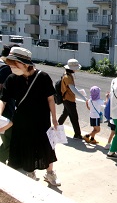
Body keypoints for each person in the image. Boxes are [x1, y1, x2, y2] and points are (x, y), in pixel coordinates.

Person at [0, 47, 60, 185]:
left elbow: (50, 99)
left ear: (25, 63)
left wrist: (54, 119)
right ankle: (30, 173)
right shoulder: (12, 78)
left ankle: (50, 174)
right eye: (10, 64)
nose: (12, 67)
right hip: (22, 121)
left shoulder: (43, 77)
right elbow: (4, 99)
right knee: (26, 148)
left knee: (47, 147)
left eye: (14, 64)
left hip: (42, 120)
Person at [58, 59, 87, 139]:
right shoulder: (68, 77)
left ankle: (56, 128)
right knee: (74, 117)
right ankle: (77, 134)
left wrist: (80, 92)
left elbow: (72, 88)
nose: (76, 70)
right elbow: (73, 89)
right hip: (68, 99)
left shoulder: (67, 74)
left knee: (65, 114)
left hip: (67, 99)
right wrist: (84, 98)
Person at [0, 45, 17, 164]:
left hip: (8, 110)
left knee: (10, 140)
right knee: (9, 142)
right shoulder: (6, 70)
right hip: (6, 111)